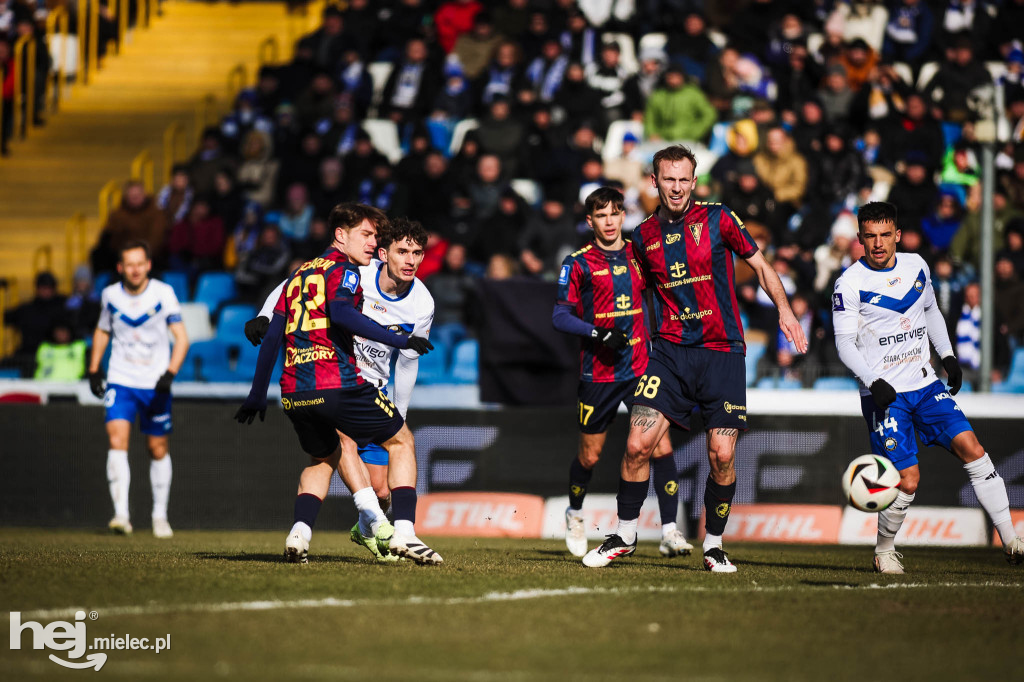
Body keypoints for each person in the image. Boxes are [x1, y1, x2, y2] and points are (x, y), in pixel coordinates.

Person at [582, 145, 808, 572]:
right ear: (654, 182)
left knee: (722, 454)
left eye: (684, 179)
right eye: (669, 179)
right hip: (669, 353)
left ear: (695, 181)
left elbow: (760, 266)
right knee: (636, 444)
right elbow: (639, 293)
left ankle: (714, 545)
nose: (677, 187)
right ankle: (625, 535)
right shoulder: (644, 236)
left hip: (722, 351)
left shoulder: (719, 217)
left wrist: (785, 310)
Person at [234, 204, 442, 565]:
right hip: (341, 380)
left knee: (373, 484)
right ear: (383, 253)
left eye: (417, 253)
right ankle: (395, 531)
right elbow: (295, 292)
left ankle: (329, 529)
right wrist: (264, 315)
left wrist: (399, 411)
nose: (409, 260)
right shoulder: (354, 271)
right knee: (354, 442)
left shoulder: (422, 302)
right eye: (400, 250)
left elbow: (409, 362)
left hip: (326, 385)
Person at [831, 201, 1023, 573]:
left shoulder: (917, 265)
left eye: (886, 235)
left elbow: (931, 311)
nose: (879, 243)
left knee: (973, 448)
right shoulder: (849, 283)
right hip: (884, 396)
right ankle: (884, 550)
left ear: (897, 235)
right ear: (859, 239)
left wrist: (947, 356)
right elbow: (843, 344)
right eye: (870, 236)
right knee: (907, 479)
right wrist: (873, 382)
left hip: (924, 383)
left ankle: (1011, 540)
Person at [553, 187, 691, 560]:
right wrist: (597, 333)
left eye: (615, 213)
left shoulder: (638, 253)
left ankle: (669, 531)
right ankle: (575, 514)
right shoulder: (578, 262)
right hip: (598, 374)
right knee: (590, 457)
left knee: (658, 446)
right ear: (590, 221)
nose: (610, 221)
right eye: (601, 215)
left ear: (623, 216)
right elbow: (560, 316)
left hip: (641, 367)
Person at [87, 241, 190, 538]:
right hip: (121, 378)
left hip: (155, 382)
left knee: (157, 448)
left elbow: (181, 338)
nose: (135, 269)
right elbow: (102, 330)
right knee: (116, 438)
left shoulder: (163, 293)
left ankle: (160, 515)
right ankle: (121, 514)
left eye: (139, 263)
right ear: (120, 268)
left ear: (148, 265)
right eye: (128, 264)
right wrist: (95, 369)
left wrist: (170, 373)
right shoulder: (109, 295)